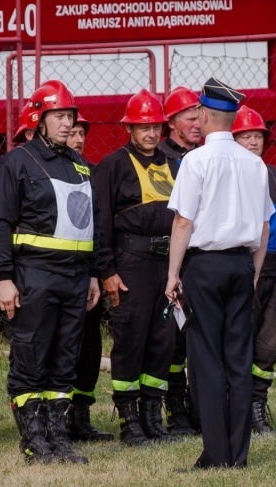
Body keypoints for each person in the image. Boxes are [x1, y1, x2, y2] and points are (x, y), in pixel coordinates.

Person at [0, 79, 100, 464]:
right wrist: (3, 278)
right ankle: (34, 442)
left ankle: (58, 438)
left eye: (70, 116)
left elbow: (90, 225)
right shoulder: (16, 163)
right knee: (31, 356)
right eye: (59, 116)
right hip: (33, 274)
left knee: (65, 359)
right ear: (38, 119)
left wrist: (94, 275)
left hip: (75, 277)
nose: (68, 124)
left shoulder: (81, 164)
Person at [166, 78, 274, 469]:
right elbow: (264, 228)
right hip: (241, 265)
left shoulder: (196, 160)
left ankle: (215, 455)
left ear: (205, 115)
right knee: (238, 360)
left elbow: (183, 222)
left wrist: (172, 274)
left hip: (205, 266)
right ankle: (238, 455)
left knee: (206, 359)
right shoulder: (255, 163)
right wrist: (254, 272)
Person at [93, 89, 178, 446]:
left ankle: (152, 415)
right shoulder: (114, 165)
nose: (150, 132)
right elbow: (100, 223)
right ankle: (128, 418)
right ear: (129, 128)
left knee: (163, 339)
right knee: (130, 340)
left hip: (166, 262)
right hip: (131, 263)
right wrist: (107, 270)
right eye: (143, 126)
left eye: (155, 125)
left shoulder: (173, 163)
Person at [232, 105, 276, 434]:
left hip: (275, 273)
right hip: (243, 270)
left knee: (267, 346)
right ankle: (237, 409)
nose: (253, 142)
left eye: (258, 136)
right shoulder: (230, 176)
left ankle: (258, 406)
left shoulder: (274, 175)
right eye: (246, 136)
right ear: (233, 140)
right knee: (239, 341)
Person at [63, 111, 114, 442]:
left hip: (86, 274)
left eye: (82, 132)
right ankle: (57, 415)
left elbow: (99, 228)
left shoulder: (91, 174)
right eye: (73, 132)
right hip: (54, 273)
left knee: (90, 346)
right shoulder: (41, 171)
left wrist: (97, 271)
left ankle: (81, 415)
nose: (79, 139)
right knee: (61, 344)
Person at [159, 86, 202, 436]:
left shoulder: (205, 155)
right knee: (172, 338)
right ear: (171, 122)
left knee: (196, 338)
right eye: (190, 117)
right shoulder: (161, 158)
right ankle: (174, 410)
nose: (197, 123)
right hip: (172, 257)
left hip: (201, 258)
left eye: (199, 116)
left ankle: (196, 405)